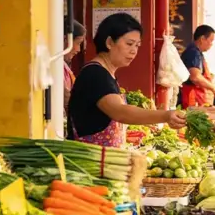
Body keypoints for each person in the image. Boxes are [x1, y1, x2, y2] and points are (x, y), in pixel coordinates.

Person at [68, 13, 185, 147]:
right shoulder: (95, 74)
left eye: (137, 46)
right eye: (129, 44)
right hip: (88, 160)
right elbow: (120, 111)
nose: (134, 51)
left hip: (105, 160)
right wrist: (165, 116)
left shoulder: (106, 73)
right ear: (109, 42)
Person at [180, 25, 215, 108]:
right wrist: (213, 88)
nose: (211, 44)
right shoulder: (194, 53)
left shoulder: (196, 52)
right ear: (202, 39)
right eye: (211, 40)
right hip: (193, 99)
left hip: (198, 99)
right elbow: (195, 77)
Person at [63, 19, 87, 116]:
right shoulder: (55, 68)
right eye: (78, 43)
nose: (78, 49)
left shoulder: (63, 66)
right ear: (65, 39)